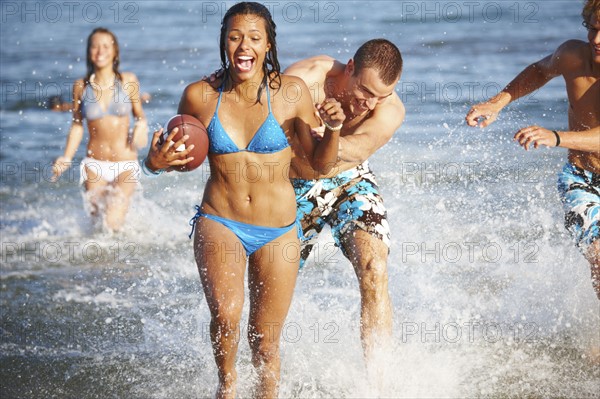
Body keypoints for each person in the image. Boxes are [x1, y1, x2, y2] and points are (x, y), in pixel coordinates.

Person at [143, 2, 343, 397]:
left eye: (253, 38)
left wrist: (334, 128)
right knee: (226, 316)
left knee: (265, 342)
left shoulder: (291, 93)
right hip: (221, 220)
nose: (243, 46)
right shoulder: (199, 96)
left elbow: (320, 165)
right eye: (234, 37)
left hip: (279, 231)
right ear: (224, 42)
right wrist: (153, 163)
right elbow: (174, 157)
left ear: (268, 44)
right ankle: (227, 387)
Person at [466, 0, 600, 300]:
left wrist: (556, 137)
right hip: (582, 180)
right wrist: (498, 102)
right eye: (592, 29)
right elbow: (540, 71)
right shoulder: (572, 56)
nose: (596, 40)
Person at [284, 39, 405, 360]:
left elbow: (363, 145)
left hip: (350, 179)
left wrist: (330, 139)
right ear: (350, 67)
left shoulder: (390, 108)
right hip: (292, 186)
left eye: (381, 95)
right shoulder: (305, 80)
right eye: (365, 91)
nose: (369, 104)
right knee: (270, 291)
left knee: (374, 267)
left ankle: (377, 387)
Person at [52, 27, 148, 231]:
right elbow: (77, 124)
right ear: (88, 52)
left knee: (112, 222)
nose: (100, 51)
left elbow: (140, 116)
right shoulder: (81, 86)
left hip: (126, 164)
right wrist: (66, 158)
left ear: (115, 52)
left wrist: (141, 126)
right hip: (94, 164)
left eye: (105, 46)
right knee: (98, 226)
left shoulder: (128, 80)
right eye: (94, 46)